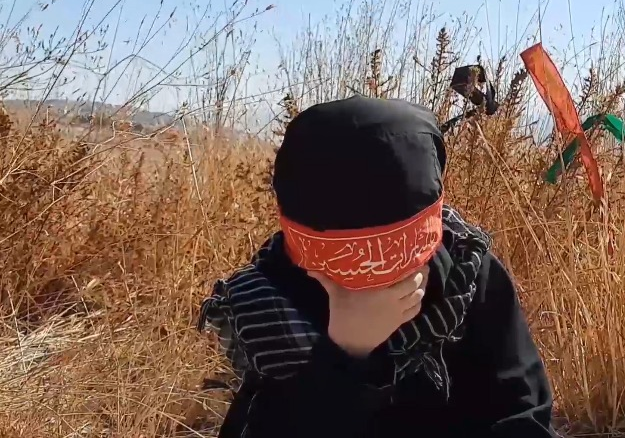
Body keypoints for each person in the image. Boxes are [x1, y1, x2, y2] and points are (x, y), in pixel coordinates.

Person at [197, 95, 555, 438]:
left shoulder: (466, 270)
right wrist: (345, 350)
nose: (379, 275)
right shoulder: (269, 304)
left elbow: (521, 412)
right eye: (350, 256)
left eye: (398, 249)